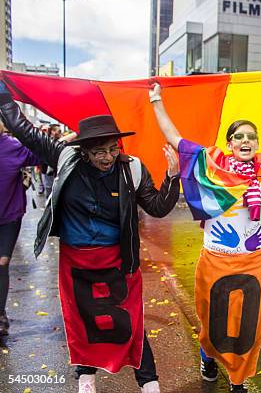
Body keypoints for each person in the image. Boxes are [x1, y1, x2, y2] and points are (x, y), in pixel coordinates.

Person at [0, 80, 180, 393]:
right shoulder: (66, 158)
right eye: (99, 151)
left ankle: (148, 382)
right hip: (77, 260)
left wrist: (173, 176)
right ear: (84, 151)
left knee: (129, 320)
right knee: (84, 319)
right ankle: (86, 378)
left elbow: (158, 207)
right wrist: (3, 92)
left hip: (117, 258)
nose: (108, 157)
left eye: (113, 149)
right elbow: (23, 128)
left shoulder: (131, 169)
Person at [149, 73, 261, 392]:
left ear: (257, 143)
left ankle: (238, 380)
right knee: (214, 323)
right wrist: (156, 100)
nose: (245, 142)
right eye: (239, 137)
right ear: (229, 143)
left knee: (248, 328)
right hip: (216, 262)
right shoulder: (209, 166)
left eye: (251, 137)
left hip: (254, 264)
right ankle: (207, 356)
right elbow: (175, 138)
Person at [0, 118, 39, 336]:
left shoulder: (11, 145)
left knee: (2, 262)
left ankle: (0, 315)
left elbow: (40, 153)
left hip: (9, 215)